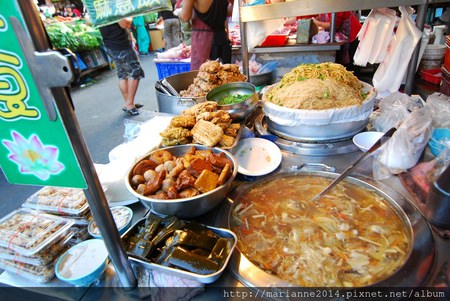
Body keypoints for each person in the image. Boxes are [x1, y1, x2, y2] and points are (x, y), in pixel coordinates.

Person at [99, 18, 145, 116]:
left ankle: (128, 103)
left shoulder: (98, 6)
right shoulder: (114, 5)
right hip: (121, 44)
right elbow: (125, 24)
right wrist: (130, 17)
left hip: (109, 44)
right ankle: (129, 104)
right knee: (136, 72)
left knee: (122, 74)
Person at [179, 0, 232, 70]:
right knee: (224, 76)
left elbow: (185, 16)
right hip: (222, 39)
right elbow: (230, 11)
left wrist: (180, 13)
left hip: (203, 41)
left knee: (202, 76)